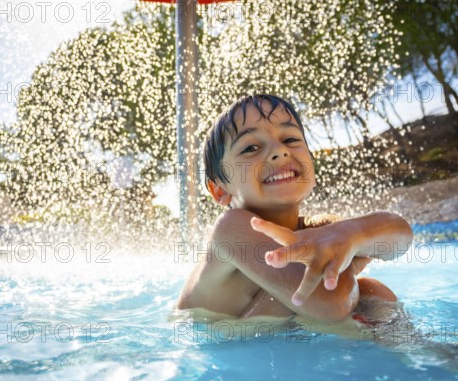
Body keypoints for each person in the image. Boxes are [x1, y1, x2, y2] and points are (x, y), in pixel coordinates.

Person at [176, 94, 413, 325]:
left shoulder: (323, 230)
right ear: (219, 190)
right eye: (250, 148)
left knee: (374, 292)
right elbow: (332, 305)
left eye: (290, 140)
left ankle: (418, 354)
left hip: (267, 343)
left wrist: (354, 233)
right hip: (219, 350)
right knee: (355, 292)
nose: (279, 151)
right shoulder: (231, 228)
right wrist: (349, 261)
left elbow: (400, 238)